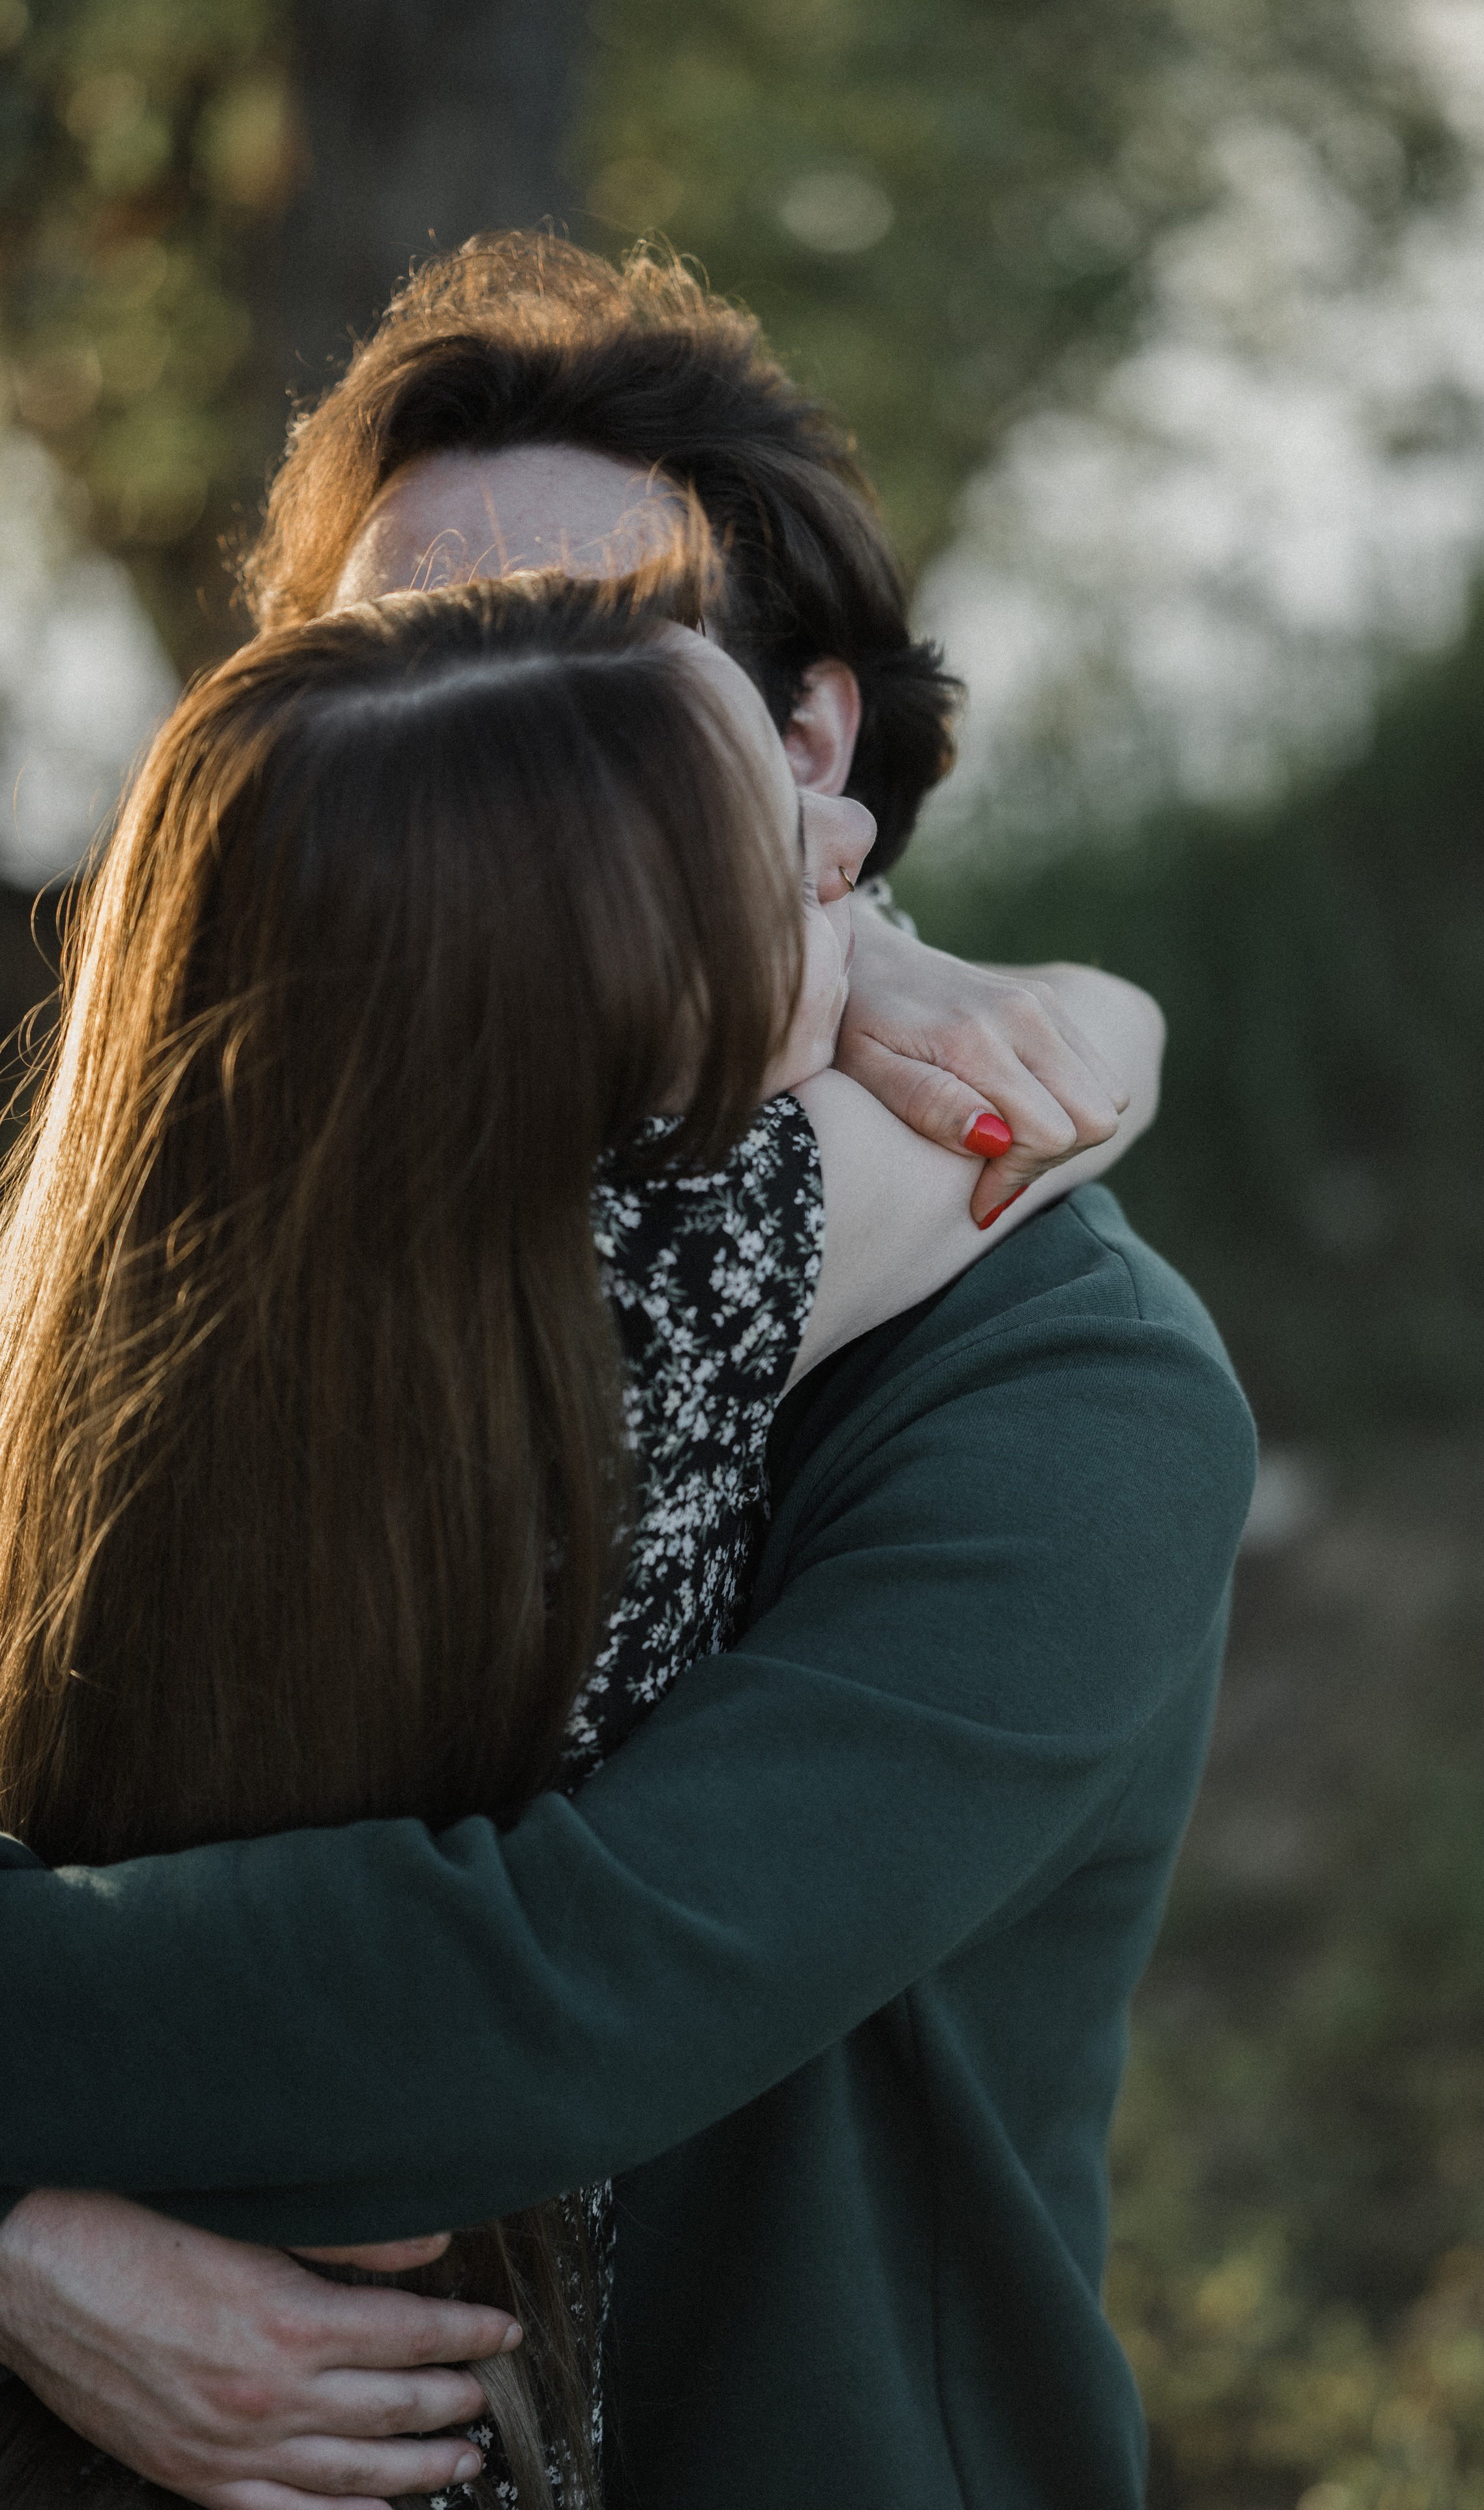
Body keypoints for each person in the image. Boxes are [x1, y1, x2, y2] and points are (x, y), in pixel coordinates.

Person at [0, 236, 1256, 2510]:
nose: (495, 712)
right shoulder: (148, 1260)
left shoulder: (1064, 1384)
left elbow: (542, 2003)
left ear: (805, 766)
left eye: (602, 660)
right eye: (392, 654)